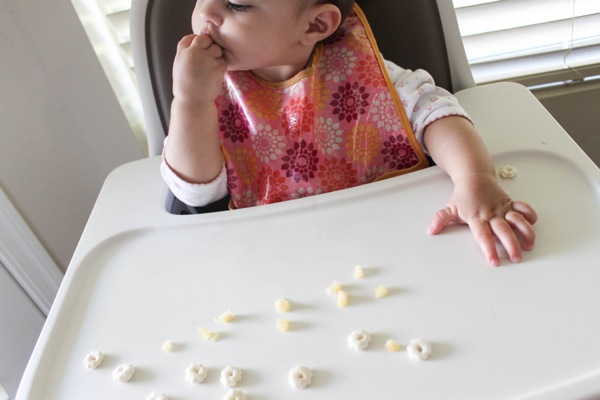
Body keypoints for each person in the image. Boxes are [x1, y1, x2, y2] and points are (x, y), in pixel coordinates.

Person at [161, 0, 537, 266]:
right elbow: (195, 194)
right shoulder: (208, 90)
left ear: (315, 25)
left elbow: (436, 113)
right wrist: (190, 101)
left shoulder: (362, 74)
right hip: (275, 265)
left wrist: (474, 179)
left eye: (236, 4)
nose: (205, 12)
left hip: (399, 253)